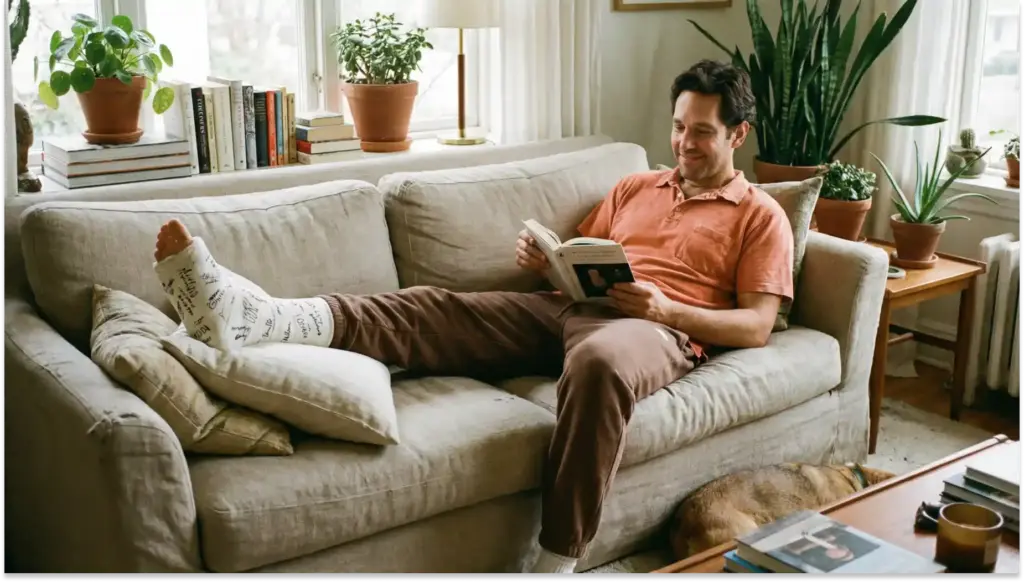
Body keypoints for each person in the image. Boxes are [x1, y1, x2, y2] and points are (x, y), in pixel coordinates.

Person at [151, 59, 794, 574]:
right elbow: (585, 258)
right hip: (565, 308)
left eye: (701, 131)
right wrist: (544, 262)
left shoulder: (759, 215)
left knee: (598, 362)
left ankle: (558, 559)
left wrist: (666, 306)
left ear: (738, 134)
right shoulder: (636, 186)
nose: (683, 142)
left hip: (652, 330)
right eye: (679, 126)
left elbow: (757, 325)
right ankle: (258, 316)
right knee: (429, 307)